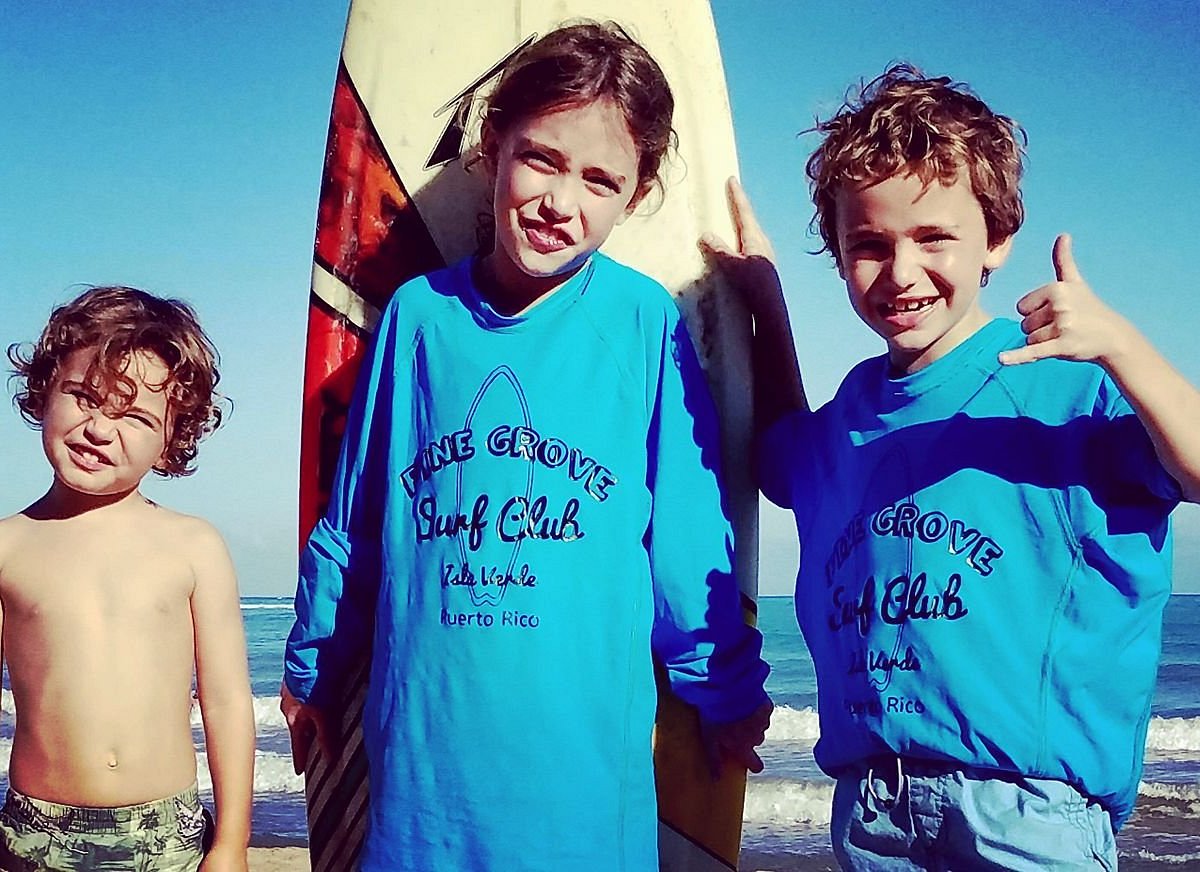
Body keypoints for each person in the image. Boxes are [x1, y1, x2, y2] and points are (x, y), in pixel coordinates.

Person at [281, 20, 772, 871]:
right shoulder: (418, 320)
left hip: (581, 790)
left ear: (636, 191)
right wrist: (315, 664)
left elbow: (689, 542)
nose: (560, 201)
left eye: (600, 180)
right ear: (493, 146)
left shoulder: (641, 322)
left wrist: (723, 689)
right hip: (423, 780)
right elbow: (356, 519)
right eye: (541, 158)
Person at [705, 65, 1200, 869]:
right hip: (870, 814)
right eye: (867, 245)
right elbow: (779, 461)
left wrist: (1121, 344)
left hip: (1026, 816)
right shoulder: (848, 419)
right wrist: (765, 303)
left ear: (997, 238)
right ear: (836, 254)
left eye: (935, 237)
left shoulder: (1068, 387)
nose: (900, 273)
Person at [0, 287, 255, 871]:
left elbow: (226, 703)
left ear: (172, 440)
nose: (98, 429)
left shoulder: (194, 546)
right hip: (36, 834)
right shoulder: (9, 546)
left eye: (134, 416)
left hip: (168, 835)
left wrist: (232, 844)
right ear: (44, 394)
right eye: (85, 398)